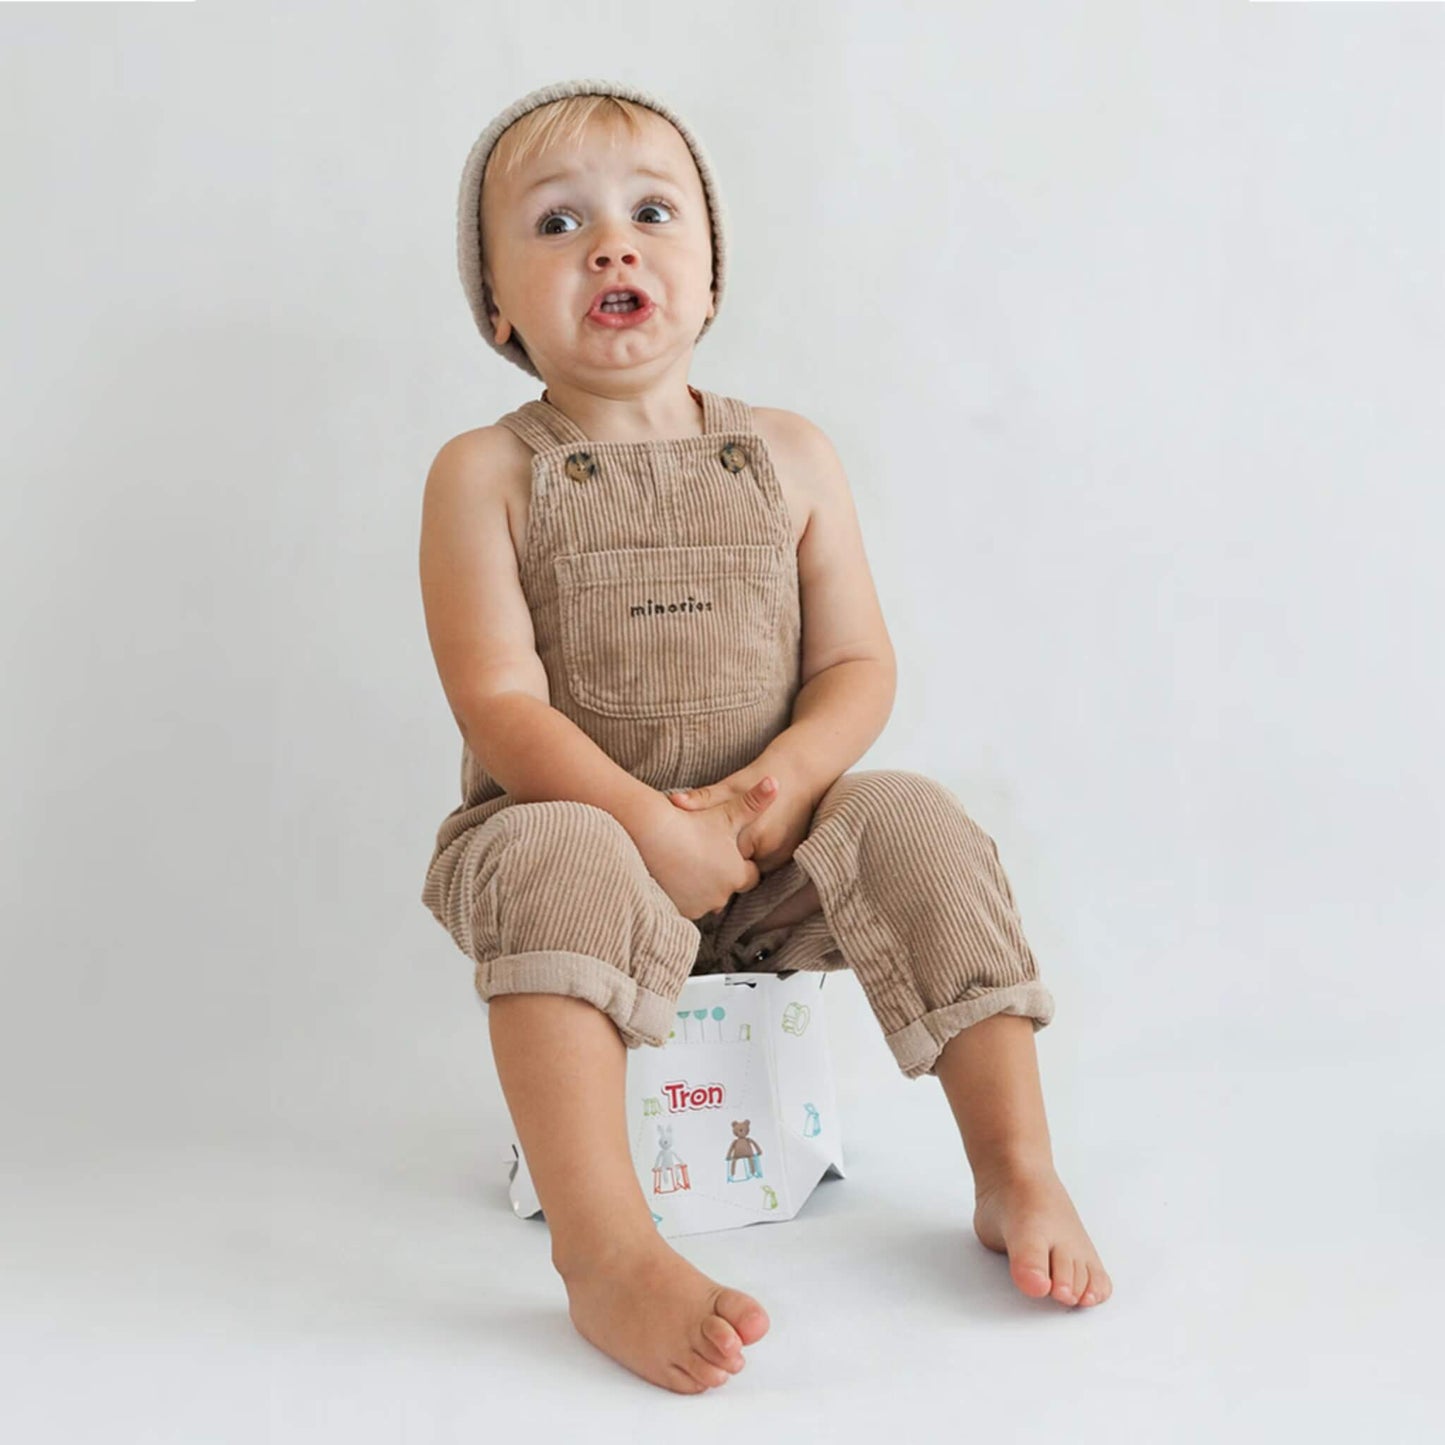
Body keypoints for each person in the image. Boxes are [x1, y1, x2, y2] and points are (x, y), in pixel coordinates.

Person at [418, 78, 1112, 1396]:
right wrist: (642, 826)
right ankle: (605, 1247)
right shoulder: (486, 473)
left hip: (772, 846)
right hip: (579, 841)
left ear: (710, 275)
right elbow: (500, 705)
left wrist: (782, 787)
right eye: (557, 225)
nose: (612, 244)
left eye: (650, 212)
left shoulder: (786, 454)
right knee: (553, 844)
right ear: (498, 306)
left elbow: (856, 662)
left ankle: (1014, 1168)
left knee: (912, 814)